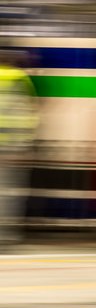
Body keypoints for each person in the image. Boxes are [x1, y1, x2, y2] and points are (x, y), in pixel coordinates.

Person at [0, 53, 38, 247]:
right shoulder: (20, 80)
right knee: (9, 193)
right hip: (11, 147)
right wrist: (25, 145)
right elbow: (28, 114)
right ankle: (6, 235)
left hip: (9, 145)